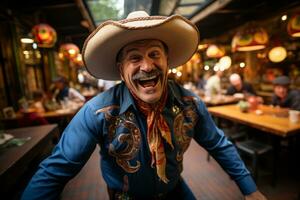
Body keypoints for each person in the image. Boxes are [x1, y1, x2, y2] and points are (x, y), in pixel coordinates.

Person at [22, 11, 266, 200]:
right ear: (121, 70)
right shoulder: (97, 113)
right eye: (135, 58)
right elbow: (55, 171)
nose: (147, 66)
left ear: (167, 61)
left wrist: (250, 189)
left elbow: (219, 145)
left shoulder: (190, 104)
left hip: (175, 190)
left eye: (154, 54)